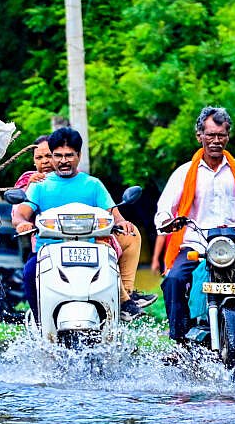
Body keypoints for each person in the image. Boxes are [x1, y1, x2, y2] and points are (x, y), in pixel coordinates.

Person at [154, 105, 235, 345]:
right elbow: (164, 210)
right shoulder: (183, 173)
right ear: (199, 135)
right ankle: (178, 340)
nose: (216, 141)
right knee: (173, 281)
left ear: (228, 136)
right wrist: (167, 222)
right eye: (210, 135)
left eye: (221, 135)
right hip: (194, 246)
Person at [11, 126, 146, 322]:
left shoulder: (93, 184)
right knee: (30, 272)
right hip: (48, 251)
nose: (63, 161)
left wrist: (123, 222)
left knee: (127, 239)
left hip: (90, 251)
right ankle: (42, 323)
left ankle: (123, 301)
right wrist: (22, 223)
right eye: (58, 155)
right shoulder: (39, 186)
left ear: (79, 155)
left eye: (69, 155)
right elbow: (21, 214)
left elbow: (114, 214)